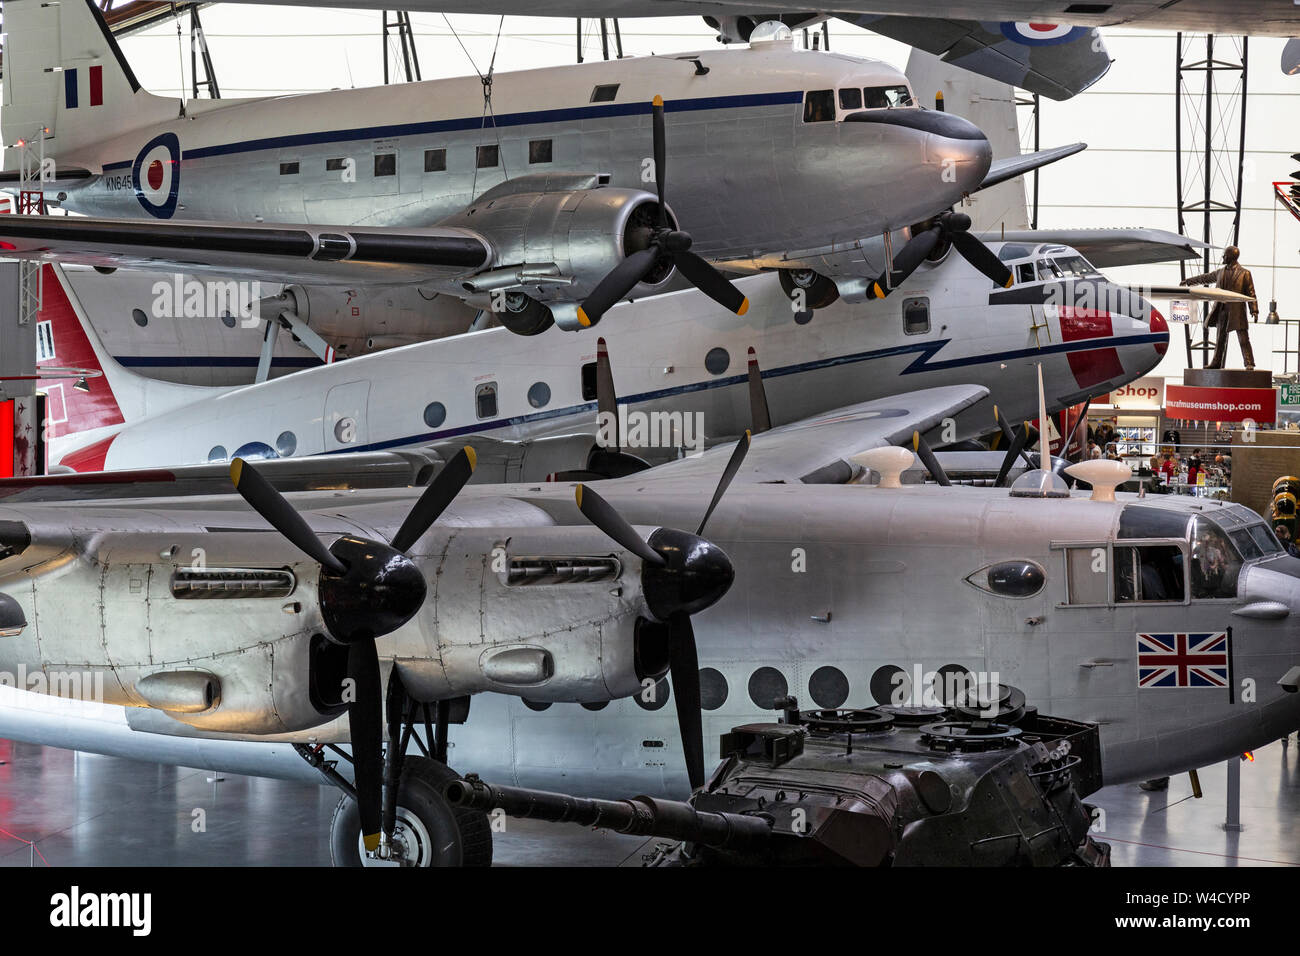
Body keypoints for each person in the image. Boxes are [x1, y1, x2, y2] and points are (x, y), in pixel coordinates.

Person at [1180, 246, 1259, 370]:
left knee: (1243, 339)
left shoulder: (1245, 273)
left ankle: (1249, 363)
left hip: (1237, 311)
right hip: (1221, 310)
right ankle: (1216, 363)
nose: (1223, 257)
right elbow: (1205, 278)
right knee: (1220, 339)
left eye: (1225, 255)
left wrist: (1254, 310)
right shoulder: (1220, 272)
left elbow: (1251, 293)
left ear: (1231, 257)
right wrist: (1189, 281)